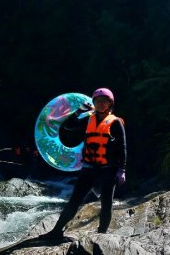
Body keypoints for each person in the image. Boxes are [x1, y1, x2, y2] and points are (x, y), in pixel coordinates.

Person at [44, 87, 126, 238]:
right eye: (98, 101)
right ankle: (56, 232)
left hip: (109, 169)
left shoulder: (115, 122)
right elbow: (68, 126)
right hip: (89, 168)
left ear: (110, 103)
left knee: (106, 204)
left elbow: (122, 147)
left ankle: (101, 235)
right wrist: (78, 112)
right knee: (74, 201)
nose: (101, 104)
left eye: (105, 101)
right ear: (93, 102)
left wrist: (122, 169)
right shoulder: (88, 119)